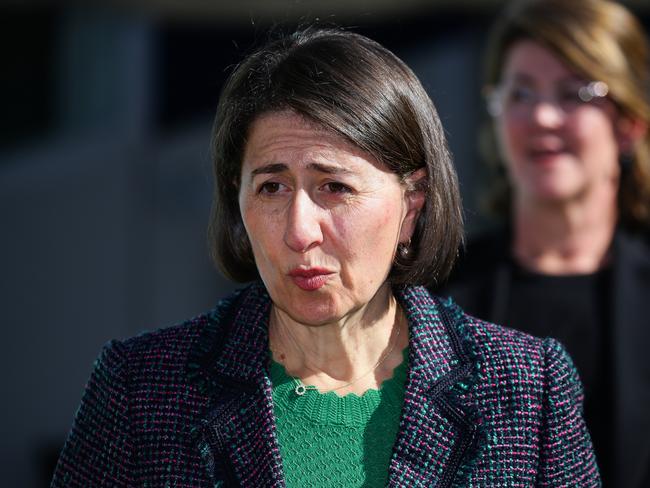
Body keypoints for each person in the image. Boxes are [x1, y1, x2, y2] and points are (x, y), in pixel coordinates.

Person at [51, 27, 600, 487]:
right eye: (271, 188)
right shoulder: (140, 390)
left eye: (334, 186)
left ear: (412, 205)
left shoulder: (527, 390)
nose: (298, 230)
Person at [438, 0, 650, 486]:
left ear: (628, 125)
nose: (543, 117)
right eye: (521, 93)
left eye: (574, 94)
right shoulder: (434, 297)